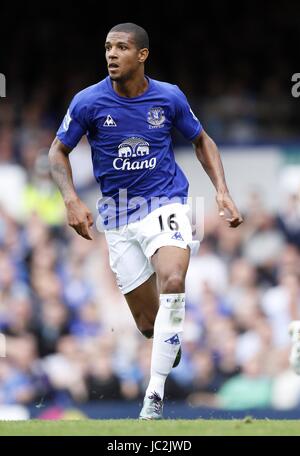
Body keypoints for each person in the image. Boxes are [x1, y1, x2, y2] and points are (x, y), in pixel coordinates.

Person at [48, 22, 243, 419]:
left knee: (173, 278)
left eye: (121, 47)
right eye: (107, 48)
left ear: (142, 55)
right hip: (117, 216)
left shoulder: (168, 97)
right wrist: (70, 199)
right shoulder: (88, 102)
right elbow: (57, 151)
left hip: (165, 202)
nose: (111, 55)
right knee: (148, 325)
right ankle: (166, 341)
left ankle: (153, 398)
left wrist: (221, 190)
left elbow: (201, 140)